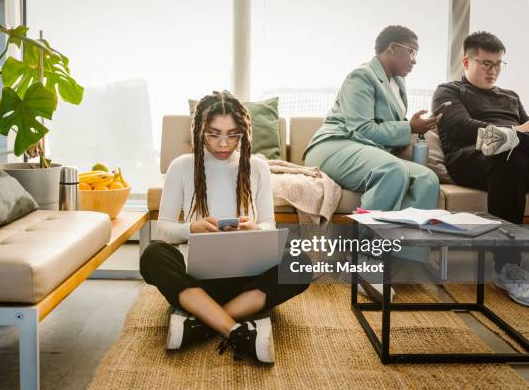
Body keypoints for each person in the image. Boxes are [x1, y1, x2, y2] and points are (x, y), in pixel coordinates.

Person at [140, 91, 310, 363]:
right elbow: (163, 229)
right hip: (196, 280)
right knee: (152, 255)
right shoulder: (181, 166)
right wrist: (192, 229)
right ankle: (239, 330)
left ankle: (200, 324)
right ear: (199, 131)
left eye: (233, 135)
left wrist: (255, 229)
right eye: (214, 134)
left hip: (246, 279)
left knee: (301, 262)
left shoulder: (257, 167)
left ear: (244, 132)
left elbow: (269, 224)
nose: (223, 143)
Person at [432, 31, 528, 306]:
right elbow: (458, 126)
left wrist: (515, 135)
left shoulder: (510, 96)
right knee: (509, 156)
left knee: (514, 152)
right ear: (466, 62)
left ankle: (509, 141)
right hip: (471, 157)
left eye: (498, 64)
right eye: (486, 63)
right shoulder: (449, 91)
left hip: (515, 157)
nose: (493, 70)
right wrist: (514, 132)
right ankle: (506, 266)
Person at [303, 25, 440, 213]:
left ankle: (403, 242)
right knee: (393, 170)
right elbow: (362, 129)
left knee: (427, 180)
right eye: (412, 52)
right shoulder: (362, 76)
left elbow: (387, 126)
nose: (414, 61)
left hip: (369, 151)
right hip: (337, 145)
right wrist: (409, 128)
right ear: (392, 47)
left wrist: (414, 127)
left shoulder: (398, 83)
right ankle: (369, 242)